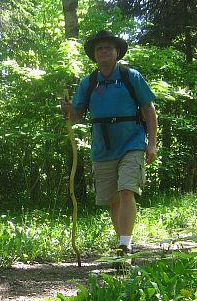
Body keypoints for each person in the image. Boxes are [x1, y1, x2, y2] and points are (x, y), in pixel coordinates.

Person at [61, 30, 158, 255]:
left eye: (108, 48)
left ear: (117, 52)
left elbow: (148, 109)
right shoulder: (88, 83)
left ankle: (125, 243)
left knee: (126, 189)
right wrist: (68, 112)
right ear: (94, 55)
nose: (103, 51)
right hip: (102, 147)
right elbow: (76, 116)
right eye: (99, 49)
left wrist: (151, 143)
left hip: (132, 142)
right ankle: (122, 245)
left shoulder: (130, 76)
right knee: (112, 199)